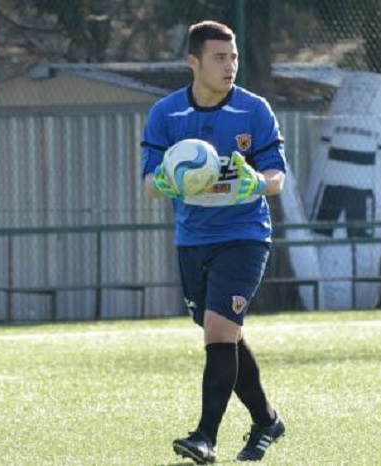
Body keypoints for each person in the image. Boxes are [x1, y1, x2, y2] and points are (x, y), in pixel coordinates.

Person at [140, 20, 287, 464]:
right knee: (223, 336)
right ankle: (267, 420)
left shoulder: (254, 110)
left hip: (243, 236)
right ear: (194, 62)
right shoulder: (167, 114)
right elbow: (149, 182)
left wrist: (254, 184)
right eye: (220, 58)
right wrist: (168, 182)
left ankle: (205, 436)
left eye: (234, 57)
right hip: (192, 240)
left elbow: (278, 178)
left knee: (219, 332)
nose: (230, 66)